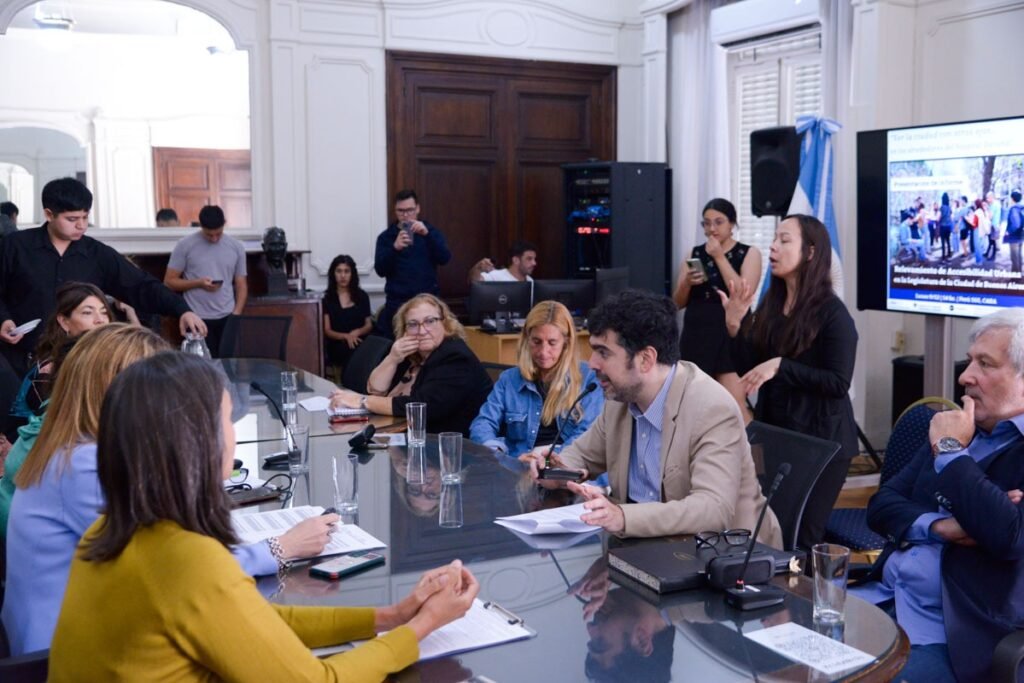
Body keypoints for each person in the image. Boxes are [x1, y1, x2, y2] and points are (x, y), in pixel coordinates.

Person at [48, 351, 478, 680]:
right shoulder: (186, 559)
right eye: (227, 421)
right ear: (198, 443)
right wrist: (423, 625)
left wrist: (392, 616)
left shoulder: (109, 531)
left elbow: (260, 621)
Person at [2, 324, 338, 655]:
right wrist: (281, 547)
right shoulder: (85, 464)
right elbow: (174, 567)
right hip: (68, 655)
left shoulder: (76, 446)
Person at [520, 289, 782, 545]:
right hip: (650, 550)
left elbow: (712, 510)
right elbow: (583, 457)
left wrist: (623, 517)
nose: (592, 363)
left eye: (604, 352)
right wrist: (554, 469)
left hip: (729, 555)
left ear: (645, 359)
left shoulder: (711, 407)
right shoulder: (619, 400)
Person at [851, 308, 1024, 683]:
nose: (965, 375)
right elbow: (881, 505)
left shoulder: (952, 438)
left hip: (950, 634)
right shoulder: (964, 429)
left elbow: (1008, 535)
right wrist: (941, 527)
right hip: (882, 596)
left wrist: (949, 451)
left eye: (985, 363)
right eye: (969, 360)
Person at [719, 214, 857, 549]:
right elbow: (750, 367)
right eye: (774, 239)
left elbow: (838, 382)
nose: (773, 246)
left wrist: (783, 366)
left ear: (810, 252)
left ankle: (804, 602)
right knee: (768, 529)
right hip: (778, 435)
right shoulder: (773, 303)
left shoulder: (833, 314)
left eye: (784, 240)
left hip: (823, 443)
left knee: (801, 538)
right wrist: (735, 327)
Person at [0, 177, 206, 376]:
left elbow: (140, 285)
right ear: (49, 214)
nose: (81, 225)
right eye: (72, 219)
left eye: (85, 217)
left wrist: (182, 310)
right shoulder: (16, 246)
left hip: (81, 361)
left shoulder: (97, 254)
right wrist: (4, 320)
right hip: (21, 359)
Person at [330, 294, 491, 436]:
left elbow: (421, 406)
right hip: (405, 439)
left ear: (445, 324)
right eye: (413, 324)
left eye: (430, 321)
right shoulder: (411, 354)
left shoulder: (455, 356)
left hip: (449, 451)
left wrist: (362, 401)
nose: (421, 331)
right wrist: (392, 358)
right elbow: (374, 390)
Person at [470, 300, 603, 458]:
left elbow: (587, 438)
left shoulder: (589, 377)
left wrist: (545, 457)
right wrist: (497, 454)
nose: (543, 352)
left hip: (566, 466)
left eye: (552, 343)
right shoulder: (509, 379)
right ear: (527, 340)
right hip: (520, 466)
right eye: (536, 342)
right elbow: (482, 423)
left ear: (566, 343)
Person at [673, 199, 762, 421]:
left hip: (729, 329)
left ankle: (754, 456)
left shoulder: (748, 253)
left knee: (734, 404)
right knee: (691, 404)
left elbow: (742, 294)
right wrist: (687, 283)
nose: (712, 229)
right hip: (697, 330)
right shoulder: (694, 253)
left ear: (732, 224)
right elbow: (676, 302)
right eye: (706, 223)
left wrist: (719, 257)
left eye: (719, 222)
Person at [7, 283, 114, 433]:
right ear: (64, 321)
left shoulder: (111, 359)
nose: (100, 320)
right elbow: (54, 430)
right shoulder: (49, 370)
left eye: (104, 312)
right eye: (87, 313)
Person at [164, 205, 248, 357]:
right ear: (201, 226)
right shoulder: (185, 245)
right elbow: (169, 281)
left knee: (227, 368)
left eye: (219, 233)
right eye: (209, 235)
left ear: (225, 224)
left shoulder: (236, 247)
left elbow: (241, 284)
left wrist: (236, 314)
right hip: (195, 318)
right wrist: (199, 283)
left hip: (227, 317)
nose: (214, 239)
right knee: (200, 370)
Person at [373, 190, 451, 338]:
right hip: (397, 303)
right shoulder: (386, 237)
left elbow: (445, 258)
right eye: (401, 211)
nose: (406, 215)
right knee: (399, 348)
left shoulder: (430, 232)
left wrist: (428, 235)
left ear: (418, 209)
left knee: (430, 345)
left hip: (428, 302)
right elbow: (380, 270)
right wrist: (394, 248)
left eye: (410, 210)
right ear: (395, 211)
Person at [322, 254, 372, 371]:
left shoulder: (362, 296)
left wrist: (357, 332)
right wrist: (346, 336)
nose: (343, 276)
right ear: (333, 274)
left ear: (352, 274)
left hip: (360, 339)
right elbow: (327, 330)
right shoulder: (327, 298)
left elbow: (368, 324)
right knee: (348, 351)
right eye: (339, 271)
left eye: (346, 271)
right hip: (338, 343)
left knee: (368, 349)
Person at [469, 240, 538, 283]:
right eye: (529, 259)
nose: (534, 263)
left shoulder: (530, 281)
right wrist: (478, 268)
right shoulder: (496, 276)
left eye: (534, 259)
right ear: (516, 260)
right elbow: (474, 281)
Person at [1005, 191, 1024, 275]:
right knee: (1019, 255)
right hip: (1021, 234)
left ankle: (1015, 277)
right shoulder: (1022, 207)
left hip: (1014, 236)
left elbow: (1016, 224)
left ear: (1012, 199)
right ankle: (1019, 273)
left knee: (1014, 257)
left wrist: (1008, 231)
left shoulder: (1014, 209)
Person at [938, 192, 954, 261]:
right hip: (948, 226)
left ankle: (943, 255)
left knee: (942, 241)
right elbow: (950, 217)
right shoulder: (949, 208)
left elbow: (939, 217)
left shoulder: (941, 207)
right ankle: (949, 253)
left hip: (943, 226)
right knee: (948, 240)